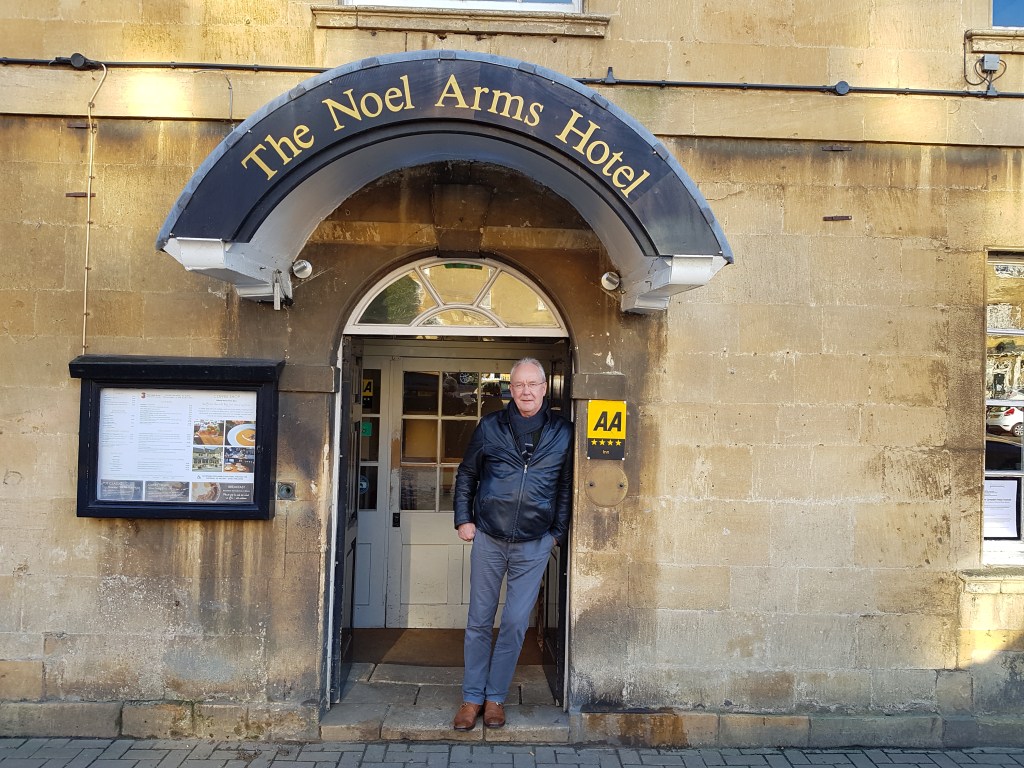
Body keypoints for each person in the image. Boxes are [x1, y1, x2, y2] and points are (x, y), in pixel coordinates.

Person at [451, 357, 573, 731]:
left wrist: (557, 532)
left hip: (534, 543)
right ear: (511, 388)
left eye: (533, 384)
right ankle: (472, 698)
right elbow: (467, 473)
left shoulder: (563, 432)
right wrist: (463, 518)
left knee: (516, 622)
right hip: (489, 537)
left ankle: (495, 698)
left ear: (544, 388)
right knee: (479, 620)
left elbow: (566, 486)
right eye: (519, 384)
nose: (526, 391)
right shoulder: (490, 426)